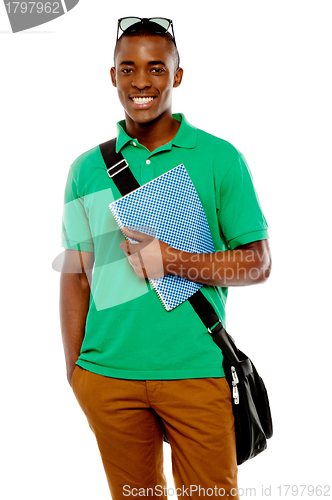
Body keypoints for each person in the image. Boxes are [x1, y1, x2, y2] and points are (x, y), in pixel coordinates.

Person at [60, 17, 271, 500]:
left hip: (196, 373)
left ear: (177, 76)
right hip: (108, 378)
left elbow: (258, 263)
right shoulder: (87, 168)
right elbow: (77, 274)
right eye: (127, 68)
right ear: (112, 76)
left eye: (156, 68)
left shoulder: (218, 158)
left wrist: (172, 259)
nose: (141, 82)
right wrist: (76, 371)